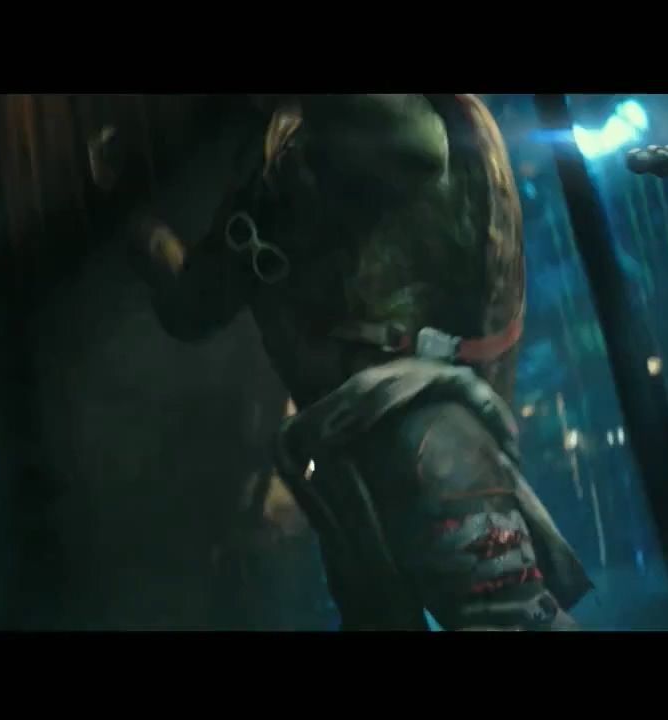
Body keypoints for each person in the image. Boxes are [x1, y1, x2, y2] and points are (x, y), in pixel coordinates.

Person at [126, 94, 593, 631]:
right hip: (354, 452)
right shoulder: (287, 153)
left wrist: (147, 240)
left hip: (424, 435)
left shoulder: (379, 126)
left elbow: (415, 144)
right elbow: (197, 303)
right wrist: (149, 242)